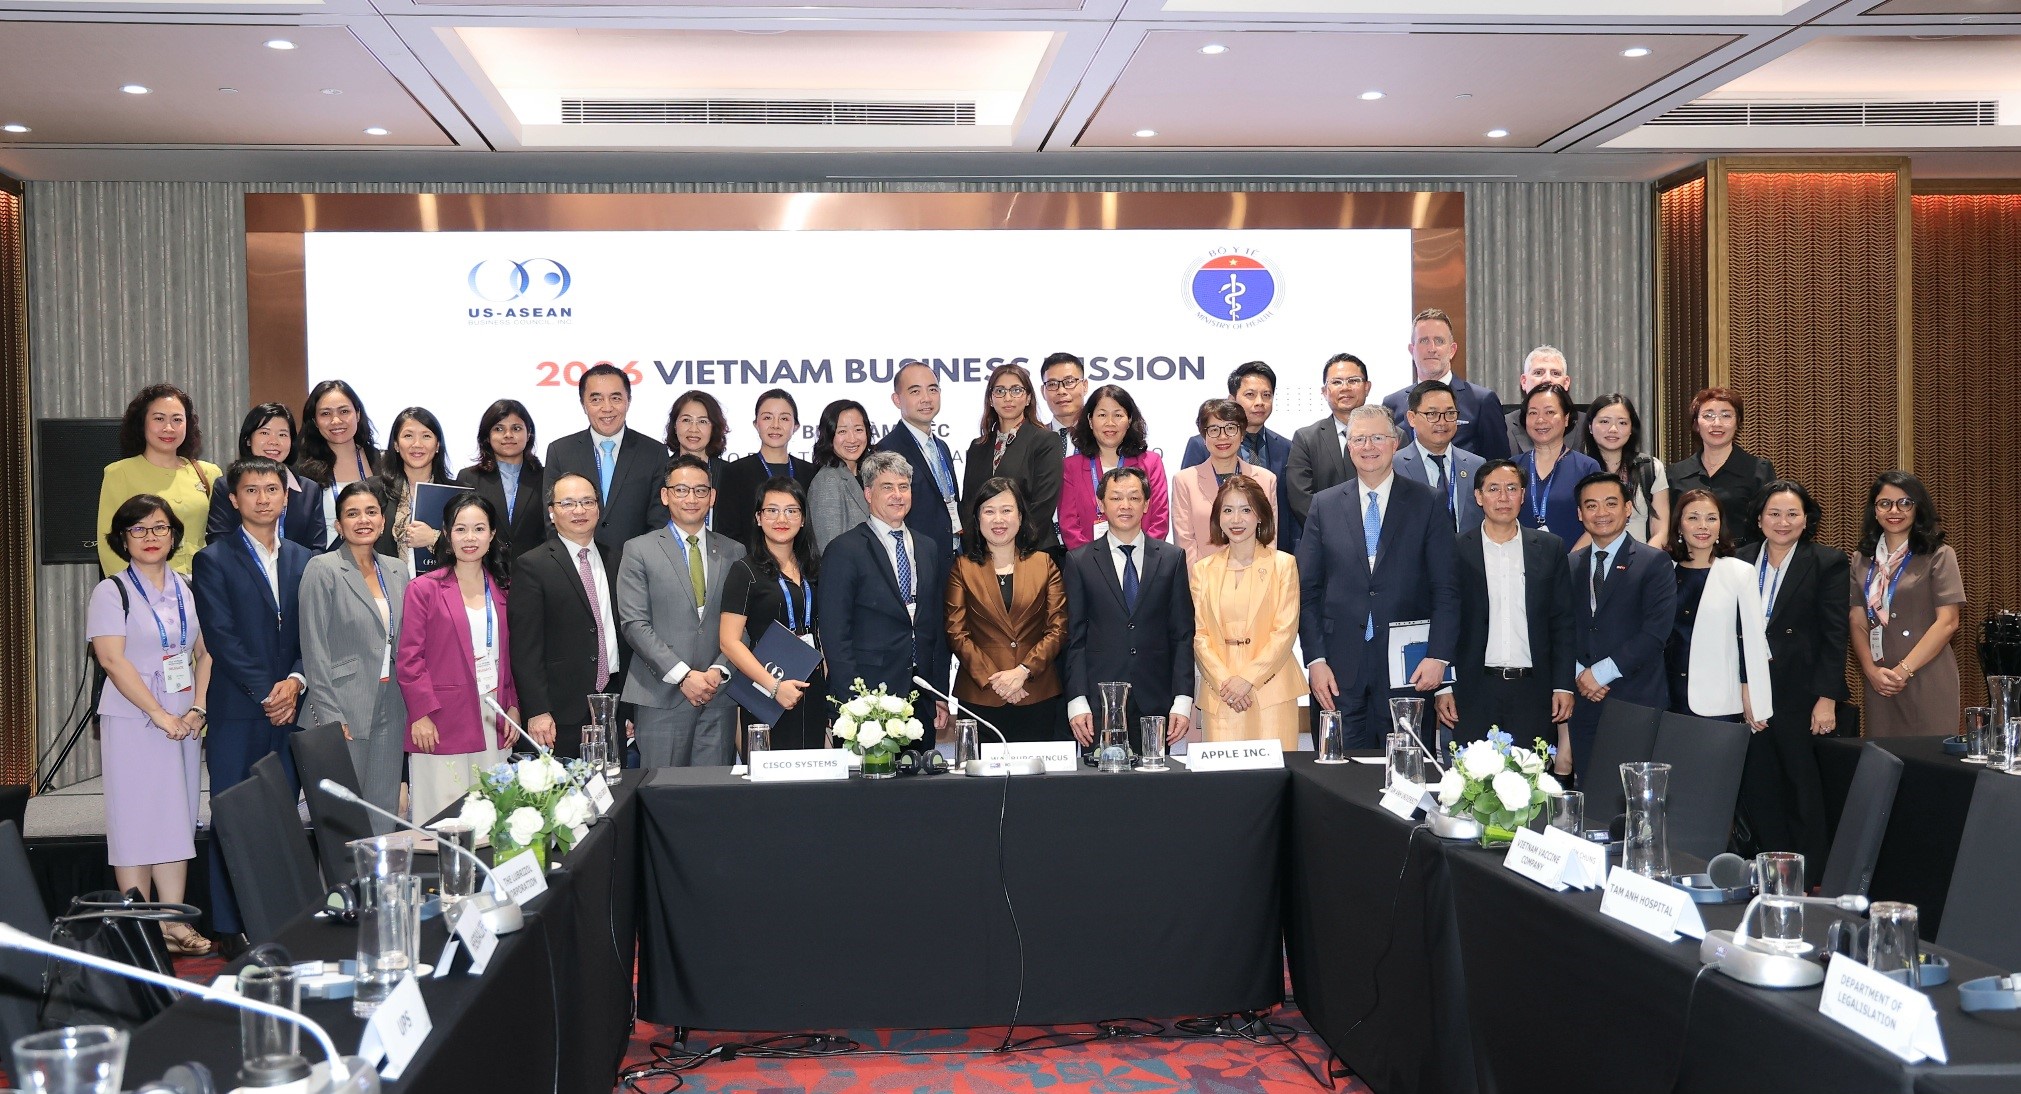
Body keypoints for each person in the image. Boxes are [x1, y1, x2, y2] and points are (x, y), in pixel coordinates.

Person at [190, 456, 312, 940]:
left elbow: (313, 632)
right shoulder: (212, 559)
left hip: (293, 708)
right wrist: (267, 692)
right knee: (233, 818)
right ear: (234, 499)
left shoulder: (305, 558)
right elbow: (221, 638)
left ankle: (280, 921)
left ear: (286, 497)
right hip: (239, 711)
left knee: (282, 819)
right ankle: (230, 927)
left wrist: (296, 681)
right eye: (252, 490)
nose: (263, 499)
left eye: (272, 489)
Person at [88, 494, 213, 956]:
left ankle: (173, 922)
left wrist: (198, 708)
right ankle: (139, 926)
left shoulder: (187, 587)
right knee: (135, 818)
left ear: (174, 534)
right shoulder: (112, 591)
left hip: (184, 719)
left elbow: (207, 651)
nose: (150, 537)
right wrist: (159, 714)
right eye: (138, 529)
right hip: (134, 717)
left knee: (177, 814)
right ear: (123, 539)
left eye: (160, 527)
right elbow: (111, 660)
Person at [1296, 405, 1458, 749]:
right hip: (1337, 670)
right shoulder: (1324, 505)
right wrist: (1315, 660)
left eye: (1377, 438)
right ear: (1349, 446)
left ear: (1395, 443)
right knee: (1338, 771)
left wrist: (1439, 658)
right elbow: (1307, 592)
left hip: (1410, 669)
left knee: (1407, 769)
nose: (1368, 446)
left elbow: (1446, 590)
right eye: (1359, 439)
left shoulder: (1427, 502)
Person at [1735, 481, 1848, 878]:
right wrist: (1742, 687)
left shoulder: (1827, 562)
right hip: (1751, 690)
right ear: (1759, 519)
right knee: (1760, 785)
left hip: (1801, 692)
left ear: (1805, 519)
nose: (1782, 522)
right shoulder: (1739, 560)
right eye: (1774, 514)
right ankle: (1772, 870)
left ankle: (1810, 876)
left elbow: (1835, 634)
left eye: (1792, 514)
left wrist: (1827, 698)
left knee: (1803, 786)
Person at [396, 493, 517, 823]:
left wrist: (514, 706)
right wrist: (421, 713)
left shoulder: (505, 589)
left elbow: (512, 656)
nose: (470, 538)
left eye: (479, 529)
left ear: (492, 535)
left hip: (494, 715)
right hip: (440, 718)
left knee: (493, 815)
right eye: (461, 529)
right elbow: (409, 659)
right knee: (443, 818)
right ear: (447, 534)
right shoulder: (424, 588)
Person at [1435, 460, 1575, 747]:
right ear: (1478, 496)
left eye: (1511, 488)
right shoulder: (1455, 549)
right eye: (1493, 489)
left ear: (1523, 495)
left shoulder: (1550, 547)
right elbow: (1443, 619)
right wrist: (1443, 687)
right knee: (1472, 774)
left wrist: (1563, 685)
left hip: (1533, 690)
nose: (1503, 497)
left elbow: (1562, 622)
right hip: (1472, 690)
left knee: (1532, 773)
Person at [818, 451, 954, 745]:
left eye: (903, 487)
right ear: (868, 493)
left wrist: (939, 693)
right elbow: (834, 634)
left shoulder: (928, 547)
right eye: (887, 487)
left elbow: (935, 625)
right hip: (866, 701)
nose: (897, 495)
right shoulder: (844, 550)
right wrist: (854, 702)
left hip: (921, 699)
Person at [617, 456, 742, 766]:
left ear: (712, 497)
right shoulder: (638, 549)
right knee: (662, 790)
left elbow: (743, 624)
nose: (691, 499)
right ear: (665, 495)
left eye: (700, 491)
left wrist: (718, 671)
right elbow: (634, 624)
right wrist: (683, 675)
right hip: (661, 695)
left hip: (718, 695)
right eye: (681, 490)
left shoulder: (734, 551)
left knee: (713, 791)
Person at [298, 482, 409, 825]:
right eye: (353, 513)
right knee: (343, 819)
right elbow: (314, 647)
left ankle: (380, 865)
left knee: (383, 811)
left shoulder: (397, 569)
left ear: (383, 521)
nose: (363, 520)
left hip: (392, 703)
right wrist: (329, 712)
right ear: (338, 524)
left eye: (371, 512)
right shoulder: (323, 568)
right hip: (343, 705)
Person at [1064, 466, 1193, 756]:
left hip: (1156, 703)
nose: (1125, 505)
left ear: (1146, 504)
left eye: (1134, 498)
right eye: (1116, 498)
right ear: (1101, 504)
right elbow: (1074, 638)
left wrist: (1183, 699)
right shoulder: (1079, 561)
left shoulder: (1171, 559)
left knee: (1154, 783)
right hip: (1099, 705)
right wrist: (1077, 699)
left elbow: (1182, 634)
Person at [508, 473, 629, 760]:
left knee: (613, 785)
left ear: (598, 508)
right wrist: (537, 710)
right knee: (564, 788)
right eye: (568, 503)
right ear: (552, 512)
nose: (579, 510)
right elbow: (525, 648)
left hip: (612, 704)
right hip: (559, 712)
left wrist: (629, 710)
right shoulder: (532, 565)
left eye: (587, 502)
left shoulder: (617, 559)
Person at [1566, 472, 1675, 780]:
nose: (1601, 512)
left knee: (1635, 795)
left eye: (1611, 503)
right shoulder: (1570, 564)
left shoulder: (1654, 562)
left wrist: (1599, 674)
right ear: (1580, 513)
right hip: (1584, 699)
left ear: (1628, 508)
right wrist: (1580, 674)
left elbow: (1655, 633)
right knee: (1590, 789)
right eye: (1591, 505)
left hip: (1636, 700)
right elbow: (1559, 628)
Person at [944, 478, 1069, 743]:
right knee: (980, 770)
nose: (998, 519)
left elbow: (1057, 629)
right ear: (977, 518)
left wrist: (1023, 671)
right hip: (980, 696)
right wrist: (998, 681)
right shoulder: (963, 568)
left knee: (1035, 769)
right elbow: (956, 632)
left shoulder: (1044, 564)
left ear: (1020, 517)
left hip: (1035, 692)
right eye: (989, 511)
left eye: (1006, 510)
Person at [1849, 471, 1963, 738]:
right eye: (1885, 503)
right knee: (1884, 757)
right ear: (1874, 510)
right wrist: (1870, 670)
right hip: (1880, 680)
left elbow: (1948, 622)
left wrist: (1904, 670)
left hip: (1926, 674)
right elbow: (1856, 620)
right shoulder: (1861, 559)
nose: (1894, 511)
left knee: (1929, 757)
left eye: (1904, 503)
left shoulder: (1939, 555)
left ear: (1917, 508)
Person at [1191, 475, 1301, 750]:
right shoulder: (1202, 570)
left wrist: (1248, 680)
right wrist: (1226, 682)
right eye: (1228, 510)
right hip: (1221, 693)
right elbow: (1199, 635)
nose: (1236, 519)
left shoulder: (1284, 565)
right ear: (1218, 518)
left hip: (1272, 692)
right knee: (1224, 775)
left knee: (1274, 773)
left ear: (1260, 515)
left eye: (1246, 510)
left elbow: (1284, 632)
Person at [719, 478, 828, 751]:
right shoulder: (744, 571)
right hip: (766, 686)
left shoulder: (814, 569)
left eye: (791, 510)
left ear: (803, 519)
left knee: (812, 769)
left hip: (811, 684)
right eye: (772, 510)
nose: (782, 519)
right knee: (770, 773)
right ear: (758, 518)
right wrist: (775, 687)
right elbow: (729, 641)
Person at [1665, 489, 1774, 726]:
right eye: (1693, 518)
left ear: (1720, 526)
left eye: (1711, 518)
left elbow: (1751, 640)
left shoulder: (1739, 572)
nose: (1703, 526)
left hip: (1718, 699)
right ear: (1679, 526)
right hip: (1666, 695)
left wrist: (1751, 694)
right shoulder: (1663, 571)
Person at [97, 384, 222, 576]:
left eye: (177, 419)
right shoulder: (119, 473)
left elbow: (221, 537)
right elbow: (109, 544)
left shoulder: (208, 473)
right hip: (145, 585)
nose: (169, 428)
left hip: (204, 581)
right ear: (142, 423)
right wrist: (132, 589)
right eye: (159, 419)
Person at [546, 363, 671, 551]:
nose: (607, 408)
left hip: (636, 563)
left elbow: (659, 520)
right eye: (596, 399)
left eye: (615, 398)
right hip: (576, 562)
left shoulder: (654, 452)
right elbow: (551, 518)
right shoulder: (560, 451)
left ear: (628, 401)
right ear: (583, 404)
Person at [1180, 362, 1298, 551]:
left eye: (1266, 395)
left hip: (1267, 555)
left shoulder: (1286, 447)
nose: (1259, 402)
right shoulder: (1201, 444)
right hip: (1208, 558)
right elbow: (1189, 515)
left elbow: (1289, 513)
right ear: (1232, 399)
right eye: (1250, 394)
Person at [1381, 307, 1509, 461]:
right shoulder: (1392, 404)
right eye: (1424, 341)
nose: (1432, 349)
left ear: (1452, 350)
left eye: (1439, 341)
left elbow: (1499, 464)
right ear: (1411, 350)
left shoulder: (1482, 401)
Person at [961, 363, 1062, 553]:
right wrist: (979, 547)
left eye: (1016, 390)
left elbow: (1044, 503)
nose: (1008, 398)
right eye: (1000, 391)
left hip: (1032, 549)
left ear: (1028, 397)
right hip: (984, 553)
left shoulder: (1045, 440)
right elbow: (969, 504)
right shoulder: (978, 447)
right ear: (990, 399)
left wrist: (1010, 549)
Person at [1059, 384, 1170, 550]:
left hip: (1143, 559)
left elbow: (1159, 519)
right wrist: (1091, 560)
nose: (1110, 423)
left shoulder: (1151, 463)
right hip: (1088, 561)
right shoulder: (1071, 467)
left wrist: (1140, 557)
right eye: (1102, 415)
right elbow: (1069, 526)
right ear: (1090, 420)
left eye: (1118, 415)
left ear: (1129, 420)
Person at [205, 402, 326, 551]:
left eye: (282, 434)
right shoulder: (226, 486)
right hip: (239, 565)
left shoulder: (309, 489)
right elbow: (218, 541)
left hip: (300, 566)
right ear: (248, 439)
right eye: (264, 433)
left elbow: (317, 547)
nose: (273, 441)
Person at [1172, 399, 1280, 566]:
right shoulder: (1185, 481)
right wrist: (1201, 579)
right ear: (1204, 436)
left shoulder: (1266, 479)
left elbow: (1269, 537)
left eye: (1230, 428)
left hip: (1255, 575)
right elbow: (1185, 542)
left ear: (1242, 434)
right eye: (1214, 430)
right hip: (1204, 577)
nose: (1223, 437)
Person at [874, 361, 963, 558]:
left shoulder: (942, 446)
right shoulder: (886, 451)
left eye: (933, 390)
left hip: (954, 556)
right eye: (915, 391)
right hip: (917, 560)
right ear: (897, 400)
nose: (926, 398)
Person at [1667, 387, 1774, 546]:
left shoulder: (1759, 470)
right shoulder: (1676, 473)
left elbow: (1769, 525)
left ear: (1737, 422)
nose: (1717, 423)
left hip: (1742, 558)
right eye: (1708, 416)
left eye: (1726, 415)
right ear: (1696, 424)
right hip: (1688, 557)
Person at [715, 388, 816, 550]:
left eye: (784, 418)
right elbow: (728, 533)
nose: (775, 425)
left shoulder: (811, 473)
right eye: (767, 417)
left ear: (796, 426)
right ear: (756, 424)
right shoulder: (735, 472)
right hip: (750, 562)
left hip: (801, 562)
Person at [1285, 352, 1370, 530]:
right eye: (1336, 382)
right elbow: (1301, 500)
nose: (1345, 388)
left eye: (1353, 381)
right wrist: (1337, 535)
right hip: (1326, 539)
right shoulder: (1306, 439)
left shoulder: (1392, 435)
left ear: (1367, 387)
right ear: (1324, 391)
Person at [455, 398, 545, 560]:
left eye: (516, 428)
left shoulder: (546, 477)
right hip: (484, 568)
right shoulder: (468, 478)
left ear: (529, 433)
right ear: (487, 436)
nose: (508, 435)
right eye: (499, 429)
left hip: (536, 569)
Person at [1394, 380, 1486, 534]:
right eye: (1432, 414)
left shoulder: (1476, 465)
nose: (1442, 422)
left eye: (1450, 413)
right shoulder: (1394, 466)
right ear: (1412, 418)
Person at [1514, 384, 1601, 546]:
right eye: (1533, 413)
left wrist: (1572, 559)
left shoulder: (1587, 467)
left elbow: (1597, 523)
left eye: (1549, 412)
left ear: (1566, 418)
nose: (1540, 420)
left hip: (1573, 558)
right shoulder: (1512, 467)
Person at [296, 380, 381, 541]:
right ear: (314, 421)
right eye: (325, 414)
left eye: (344, 411)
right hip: (322, 555)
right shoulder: (300, 469)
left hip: (375, 554)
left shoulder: (381, 461)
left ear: (357, 414)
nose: (336, 420)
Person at [375, 406, 455, 576]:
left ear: (437, 445)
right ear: (396, 445)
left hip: (440, 585)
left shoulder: (456, 494)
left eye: (426, 436)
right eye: (408, 436)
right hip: (384, 584)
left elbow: (472, 544)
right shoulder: (374, 490)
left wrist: (434, 538)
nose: (417, 444)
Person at [1582, 394, 1669, 547]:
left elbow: (1661, 531)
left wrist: (1645, 559)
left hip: (1642, 558)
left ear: (1631, 429)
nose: (1613, 429)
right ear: (1590, 426)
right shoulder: (1579, 468)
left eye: (1622, 422)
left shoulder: (1650, 468)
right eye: (1604, 421)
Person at [808, 399, 873, 554]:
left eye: (858, 429)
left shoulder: (869, 475)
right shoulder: (827, 480)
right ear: (829, 436)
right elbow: (829, 550)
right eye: (842, 431)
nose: (852, 439)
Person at [1503, 346, 1588, 455]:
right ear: (1524, 381)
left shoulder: (1587, 424)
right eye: (1538, 372)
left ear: (1566, 383)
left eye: (1555, 373)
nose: (1547, 379)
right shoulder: (1503, 425)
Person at [662, 389, 731, 504]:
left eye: (702, 421)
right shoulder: (658, 472)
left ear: (713, 428)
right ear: (675, 425)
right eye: (686, 420)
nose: (693, 429)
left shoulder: (729, 475)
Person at [1039, 352, 1088, 453]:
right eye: (1052, 384)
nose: (1061, 391)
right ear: (1043, 391)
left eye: (1069, 382)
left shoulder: (1102, 435)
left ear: (1085, 386)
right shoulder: (1034, 439)